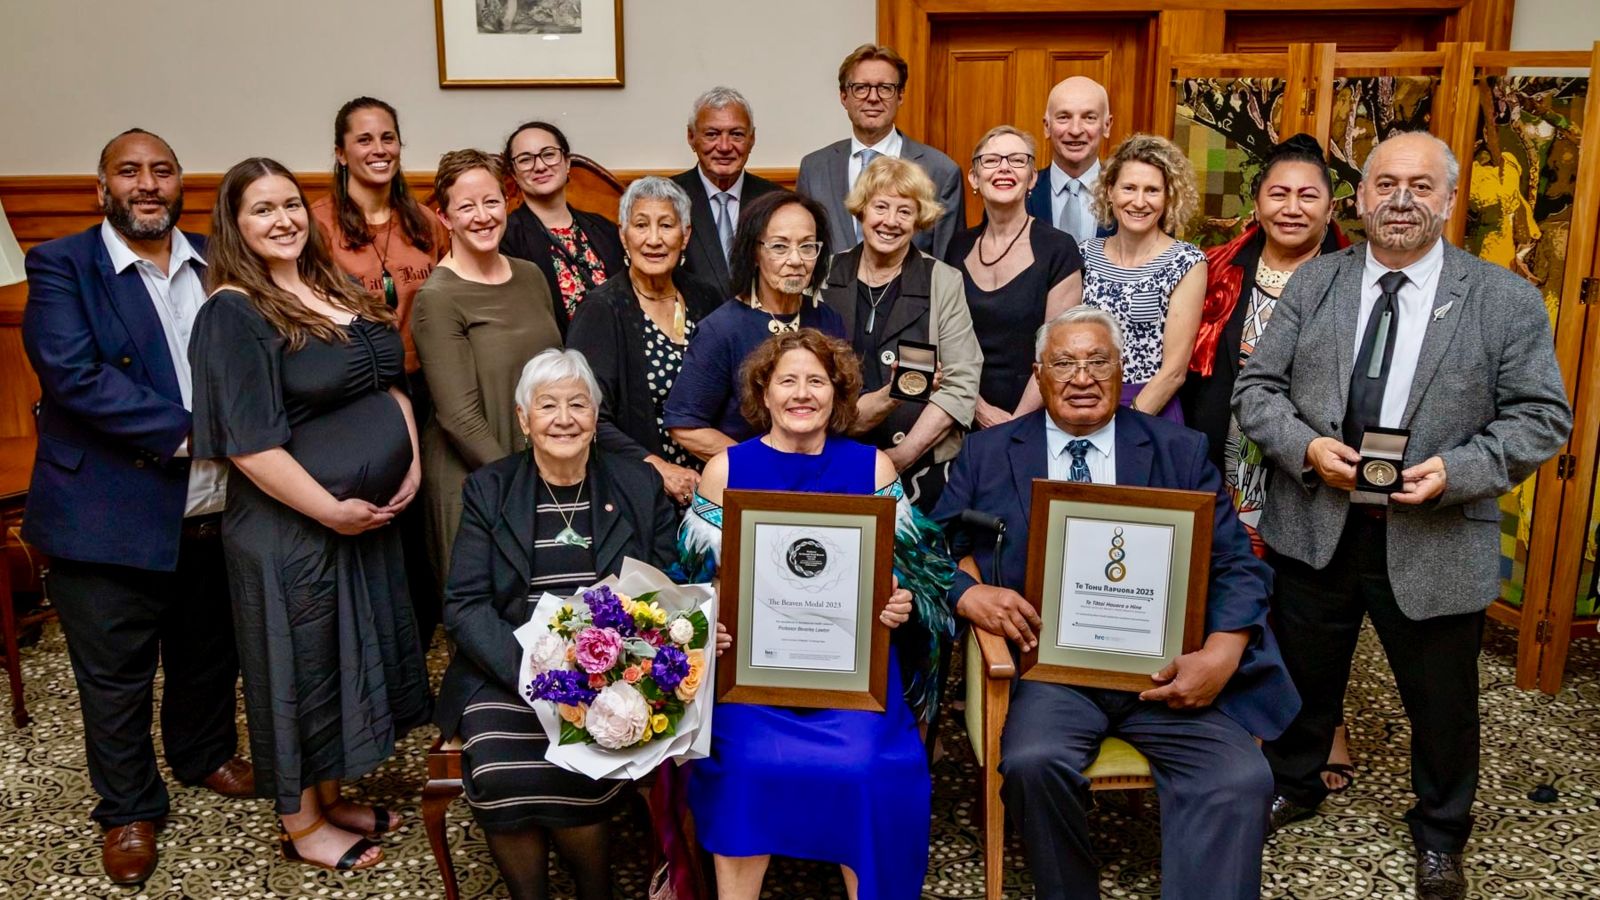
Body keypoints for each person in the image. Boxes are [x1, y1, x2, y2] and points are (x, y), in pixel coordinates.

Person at [1234, 131, 1572, 900]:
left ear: (1449, 200)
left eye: (1421, 186)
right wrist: (1308, 449)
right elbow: (1258, 392)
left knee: (1442, 703)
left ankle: (1442, 832)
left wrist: (1458, 471)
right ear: (1359, 197)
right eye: (1386, 183)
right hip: (1317, 522)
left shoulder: (1504, 299)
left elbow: (1541, 419)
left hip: (1435, 533)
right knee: (1303, 678)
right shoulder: (1316, 285)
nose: (1401, 199)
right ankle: (1296, 783)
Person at [932, 305, 1300, 900]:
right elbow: (931, 545)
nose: (1082, 377)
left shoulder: (1177, 450)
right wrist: (970, 592)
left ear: (1121, 369)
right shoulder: (989, 453)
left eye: (1098, 361)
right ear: (1039, 373)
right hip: (1051, 672)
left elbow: (1234, 561)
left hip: (1165, 670)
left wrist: (1224, 651)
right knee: (1032, 763)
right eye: (1065, 363)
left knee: (1239, 776)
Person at [20, 128, 252, 885]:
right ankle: (126, 809)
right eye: (129, 171)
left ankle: (204, 753)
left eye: (162, 170)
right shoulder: (62, 265)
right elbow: (73, 374)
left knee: (207, 649)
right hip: (106, 511)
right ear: (102, 188)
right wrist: (200, 434)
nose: (147, 183)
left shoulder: (218, 262)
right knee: (115, 675)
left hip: (214, 505)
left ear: (181, 182)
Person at [190, 158, 432, 872]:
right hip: (291, 532)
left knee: (344, 660)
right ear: (234, 226)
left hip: (359, 523)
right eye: (262, 210)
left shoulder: (332, 286)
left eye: (291, 204)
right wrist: (329, 509)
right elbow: (248, 445)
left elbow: (390, 384)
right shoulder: (233, 311)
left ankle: (329, 798)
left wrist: (410, 461)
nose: (283, 220)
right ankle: (302, 826)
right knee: (298, 672)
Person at [677, 328, 956, 900]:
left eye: (816, 381)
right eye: (788, 381)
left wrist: (901, 597)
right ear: (764, 393)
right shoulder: (726, 471)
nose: (802, 394)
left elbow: (919, 575)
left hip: (852, 680)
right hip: (753, 683)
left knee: (869, 769)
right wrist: (713, 621)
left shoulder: (873, 469)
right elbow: (693, 584)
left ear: (838, 393)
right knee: (746, 766)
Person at [436, 349, 678, 900]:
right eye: (547, 405)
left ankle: (594, 891)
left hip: (608, 677)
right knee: (500, 771)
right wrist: (535, 675)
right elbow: (466, 605)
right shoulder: (489, 491)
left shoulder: (637, 487)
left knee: (579, 764)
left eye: (577, 403)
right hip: (507, 669)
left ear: (596, 415)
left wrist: (607, 673)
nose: (563, 418)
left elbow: (663, 594)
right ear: (524, 420)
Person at [1179, 134, 1357, 791]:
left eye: (1307, 194)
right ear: (1256, 202)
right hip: (1228, 449)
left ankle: (1319, 721)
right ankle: (1240, 707)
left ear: (1332, 204)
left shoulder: (1357, 276)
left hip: (1314, 457)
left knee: (1307, 598)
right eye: (1278, 193)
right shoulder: (1219, 266)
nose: (1291, 207)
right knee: (1232, 576)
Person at [311, 95, 448, 649]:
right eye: (364, 139)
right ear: (341, 152)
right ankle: (370, 653)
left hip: (426, 386)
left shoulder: (426, 224)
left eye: (387, 137)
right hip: (356, 394)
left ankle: (415, 649)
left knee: (421, 521)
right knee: (375, 519)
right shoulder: (316, 225)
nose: (378, 149)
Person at [412, 148, 562, 584]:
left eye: (491, 202)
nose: (482, 216)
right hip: (477, 479)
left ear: (507, 203)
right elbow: (458, 417)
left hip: (542, 469)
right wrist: (524, 483)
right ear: (445, 218)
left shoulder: (531, 274)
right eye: (466, 206)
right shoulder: (437, 298)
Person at [821, 155, 982, 512]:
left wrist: (904, 455)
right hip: (829, 458)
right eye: (880, 207)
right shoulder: (826, 274)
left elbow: (960, 382)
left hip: (921, 467)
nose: (890, 222)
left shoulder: (942, 280)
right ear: (862, 210)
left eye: (905, 211)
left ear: (919, 220)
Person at [567, 176, 722, 506]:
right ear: (624, 235)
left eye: (666, 225)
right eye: (641, 225)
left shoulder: (706, 298)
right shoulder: (602, 309)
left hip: (712, 486)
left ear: (686, 235)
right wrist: (660, 470)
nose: (654, 239)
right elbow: (588, 416)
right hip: (637, 492)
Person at [663, 190, 846, 460]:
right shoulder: (723, 328)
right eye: (780, 246)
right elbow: (686, 425)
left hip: (821, 476)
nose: (795, 260)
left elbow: (844, 411)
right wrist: (762, 465)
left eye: (807, 246)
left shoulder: (827, 320)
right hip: (752, 485)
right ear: (754, 253)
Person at [946, 125, 1084, 428]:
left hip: (1034, 417)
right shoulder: (956, 248)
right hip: (960, 412)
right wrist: (978, 410)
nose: (1004, 168)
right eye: (992, 160)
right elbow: (945, 345)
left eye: (1018, 160)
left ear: (1032, 177)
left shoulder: (1058, 249)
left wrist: (1012, 428)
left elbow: (1057, 352)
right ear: (974, 178)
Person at [1080, 134, 1205, 422]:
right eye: (1129, 188)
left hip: (1150, 410)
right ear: (1109, 191)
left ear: (1168, 197)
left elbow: (1174, 371)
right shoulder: (1083, 254)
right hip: (1084, 402)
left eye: (1152, 190)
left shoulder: (1186, 262)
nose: (1139, 201)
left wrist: (1127, 423)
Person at [797, 43, 964, 258]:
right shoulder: (814, 168)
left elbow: (946, 263)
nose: (873, 97)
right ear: (844, 97)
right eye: (861, 87)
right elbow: (804, 247)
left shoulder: (941, 171)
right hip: (829, 291)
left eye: (885, 88)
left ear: (900, 96)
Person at [500, 120, 625, 336]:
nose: (539, 166)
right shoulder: (507, 238)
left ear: (567, 163)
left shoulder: (604, 229)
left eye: (548, 154)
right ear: (513, 174)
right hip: (554, 361)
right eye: (525, 160)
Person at [671, 86, 781, 297]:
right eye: (712, 134)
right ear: (691, 137)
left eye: (736, 134)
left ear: (752, 139)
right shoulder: (668, 199)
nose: (724, 146)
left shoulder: (776, 202)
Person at [1025, 76, 1116, 244]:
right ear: (1047, 126)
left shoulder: (1130, 196)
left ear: (1106, 125)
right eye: (1064, 117)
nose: (1075, 130)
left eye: (1089, 117)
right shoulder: (1020, 194)